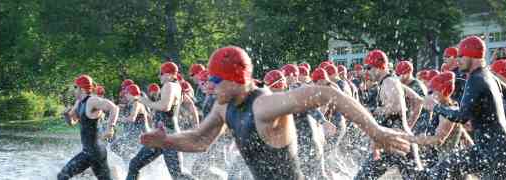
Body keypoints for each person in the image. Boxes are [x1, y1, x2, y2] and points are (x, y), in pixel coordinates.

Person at [139, 46, 411, 180]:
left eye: (216, 80)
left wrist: (377, 131)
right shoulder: (224, 107)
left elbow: (328, 94)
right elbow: (199, 140)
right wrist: (167, 141)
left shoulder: (264, 105)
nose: (210, 86)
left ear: (235, 79)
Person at [419, 36, 506, 179]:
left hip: (497, 154)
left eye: (461, 56)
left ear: (473, 56)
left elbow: (462, 116)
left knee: (441, 171)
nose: (457, 60)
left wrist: (435, 107)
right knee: (443, 169)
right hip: (493, 149)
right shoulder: (489, 75)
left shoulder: (476, 79)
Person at [354, 49, 424, 180]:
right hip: (396, 140)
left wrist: (373, 111)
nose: (367, 72)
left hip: (397, 142)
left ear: (378, 67)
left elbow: (396, 106)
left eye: (369, 68)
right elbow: (418, 100)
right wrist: (408, 126)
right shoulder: (392, 81)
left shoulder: (389, 82)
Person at [126, 62, 195, 180]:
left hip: (168, 136)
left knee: (178, 175)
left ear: (169, 74)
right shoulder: (177, 86)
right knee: (134, 164)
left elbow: (165, 106)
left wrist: (144, 101)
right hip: (162, 135)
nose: (159, 76)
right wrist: (196, 122)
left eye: (161, 73)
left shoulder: (169, 85)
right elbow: (190, 104)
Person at [266, 69, 329, 179]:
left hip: (307, 139)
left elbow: (310, 107)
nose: (268, 92)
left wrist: (323, 121)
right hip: (302, 138)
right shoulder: (280, 97)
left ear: (277, 86)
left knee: (315, 174)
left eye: (270, 89)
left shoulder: (291, 94)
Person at [58, 75, 120, 180]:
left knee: (63, 176)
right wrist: (66, 116)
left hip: (94, 152)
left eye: (75, 87)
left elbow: (114, 108)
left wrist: (110, 127)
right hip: (90, 151)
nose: (73, 91)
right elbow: (72, 122)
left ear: (82, 88)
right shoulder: (79, 103)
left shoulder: (92, 101)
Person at [110, 84, 150, 162]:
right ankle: (128, 160)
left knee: (114, 146)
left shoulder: (136, 104)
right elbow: (123, 106)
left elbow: (132, 118)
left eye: (126, 94)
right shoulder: (133, 103)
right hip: (137, 135)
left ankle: (128, 160)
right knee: (120, 148)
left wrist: (117, 119)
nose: (125, 96)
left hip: (140, 135)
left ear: (130, 93)